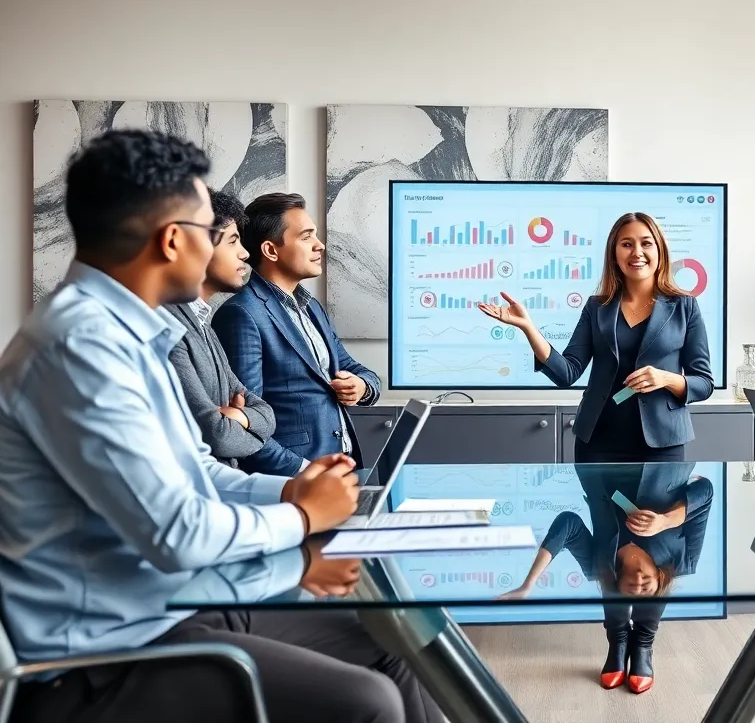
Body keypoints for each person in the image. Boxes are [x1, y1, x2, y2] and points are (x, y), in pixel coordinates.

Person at [0, 130, 438, 723]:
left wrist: (291, 491)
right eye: (214, 233)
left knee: (391, 645)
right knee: (367, 702)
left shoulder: (133, 335)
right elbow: (179, 534)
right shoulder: (83, 347)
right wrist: (304, 522)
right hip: (103, 655)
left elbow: (198, 471)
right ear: (173, 240)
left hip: (165, 608)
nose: (223, 250)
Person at [480, 212, 713, 463]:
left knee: (659, 505)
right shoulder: (596, 307)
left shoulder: (684, 306)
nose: (637, 252)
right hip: (598, 443)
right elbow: (566, 373)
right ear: (614, 253)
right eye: (626, 244)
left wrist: (665, 378)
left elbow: (703, 383)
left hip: (663, 444)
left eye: (646, 243)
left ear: (660, 251)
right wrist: (528, 328)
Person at [499, 464, 712, 695]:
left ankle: (628, 641)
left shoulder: (599, 563)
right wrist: (665, 520)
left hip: (604, 458)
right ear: (658, 581)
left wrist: (528, 584)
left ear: (619, 583)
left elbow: (567, 523)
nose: (639, 586)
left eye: (632, 591)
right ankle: (638, 641)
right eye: (646, 590)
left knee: (604, 575)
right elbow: (706, 491)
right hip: (659, 457)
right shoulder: (683, 560)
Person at [214, 193, 381, 476]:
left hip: (341, 470)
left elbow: (354, 368)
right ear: (271, 250)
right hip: (294, 480)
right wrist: (307, 472)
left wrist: (362, 387)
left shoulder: (310, 307)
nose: (320, 245)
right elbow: (246, 422)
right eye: (306, 237)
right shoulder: (242, 314)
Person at [165, 188, 276, 469]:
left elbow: (266, 414)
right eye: (233, 241)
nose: (245, 254)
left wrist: (241, 416)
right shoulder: (166, 326)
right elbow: (217, 435)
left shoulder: (203, 321)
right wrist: (241, 423)